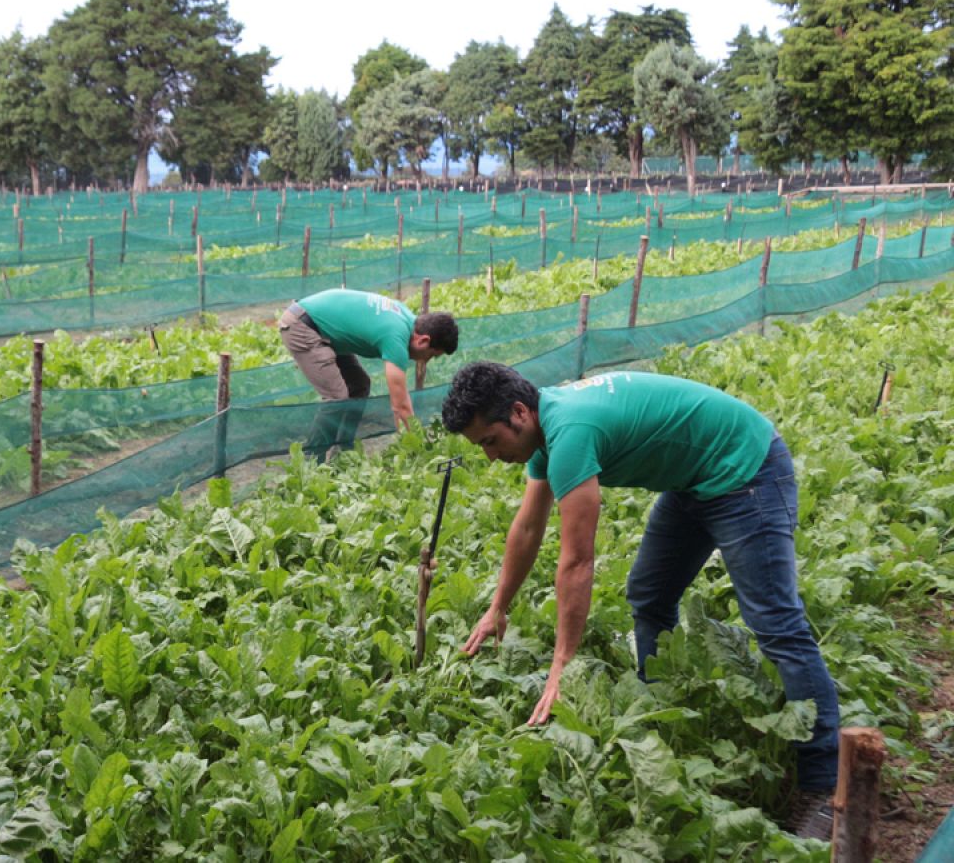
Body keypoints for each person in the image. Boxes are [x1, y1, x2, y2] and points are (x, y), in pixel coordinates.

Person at [440, 362, 839, 839]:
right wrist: (497, 608)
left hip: (744, 467)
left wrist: (562, 664)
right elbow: (527, 528)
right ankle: (657, 709)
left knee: (775, 623)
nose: (490, 456)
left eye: (490, 441)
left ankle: (827, 787)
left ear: (519, 413)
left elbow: (577, 561)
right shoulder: (545, 429)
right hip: (694, 478)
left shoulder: (570, 432)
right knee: (649, 595)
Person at [277, 288, 458, 459]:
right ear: (423, 341)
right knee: (336, 397)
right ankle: (311, 461)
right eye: (431, 355)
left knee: (359, 384)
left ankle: (343, 453)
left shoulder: (409, 320)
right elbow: (400, 406)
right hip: (302, 325)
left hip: (322, 326)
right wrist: (418, 448)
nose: (426, 360)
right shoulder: (395, 336)